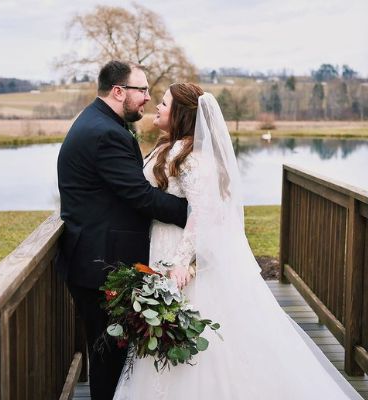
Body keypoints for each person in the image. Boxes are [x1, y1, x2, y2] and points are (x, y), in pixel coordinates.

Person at [112, 83, 361, 399]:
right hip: (159, 244)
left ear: (182, 114)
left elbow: (202, 213)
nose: (157, 107)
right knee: (163, 331)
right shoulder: (168, 147)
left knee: (189, 330)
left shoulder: (193, 157)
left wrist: (183, 261)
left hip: (178, 255)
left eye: (164, 103)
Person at [56, 60, 189, 400]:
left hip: (99, 257)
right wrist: (192, 213)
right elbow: (139, 195)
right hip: (99, 263)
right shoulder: (105, 133)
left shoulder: (104, 123)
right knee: (108, 355)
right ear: (118, 91)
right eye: (141, 90)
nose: (147, 97)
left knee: (111, 352)